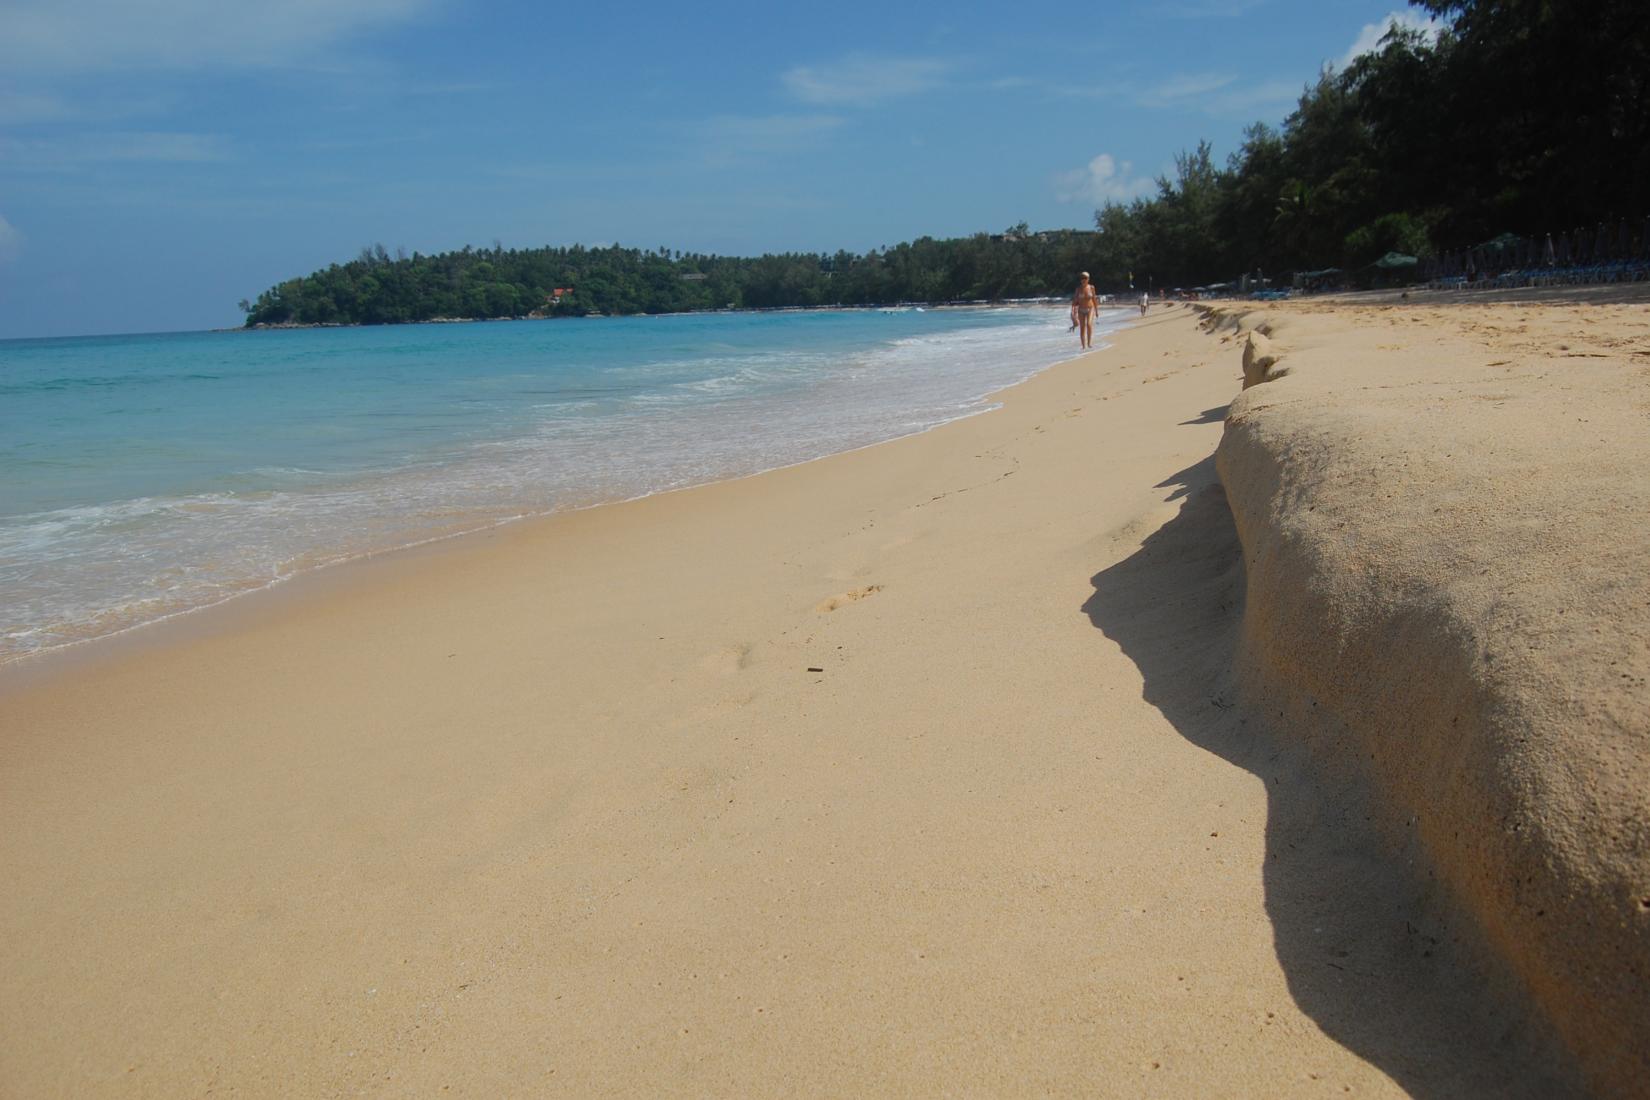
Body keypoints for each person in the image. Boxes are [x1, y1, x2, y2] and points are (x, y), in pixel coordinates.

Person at [1071, 271, 1099, 349]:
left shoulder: (1091, 287)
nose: (1083, 279)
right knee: (1082, 327)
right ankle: (1083, 346)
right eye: (1082, 278)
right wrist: (1073, 312)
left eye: (1085, 278)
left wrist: (1096, 310)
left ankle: (1089, 343)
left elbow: (1094, 299)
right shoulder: (1078, 289)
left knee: (1089, 324)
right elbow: (1074, 301)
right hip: (1081, 310)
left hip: (1090, 308)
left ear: (1088, 279)